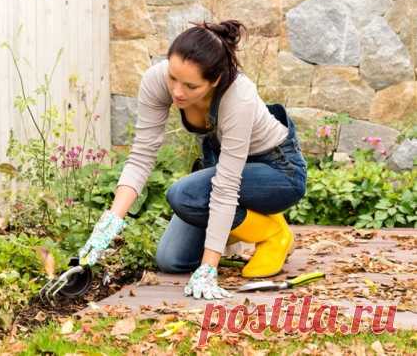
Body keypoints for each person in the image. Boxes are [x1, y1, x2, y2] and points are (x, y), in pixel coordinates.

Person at [78, 19, 307, 300]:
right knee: (172, 260)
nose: (177, 91)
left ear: (216, 80)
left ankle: (272, 233)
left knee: (185, 195)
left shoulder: (238, 96)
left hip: (278, 172)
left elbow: (225, 186)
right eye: (173, 77)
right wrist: (111, 221)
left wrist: (209, 269)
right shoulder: (156, 80)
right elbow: (141, 156)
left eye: (190, 86)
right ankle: (243, 227)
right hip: (226, 169)